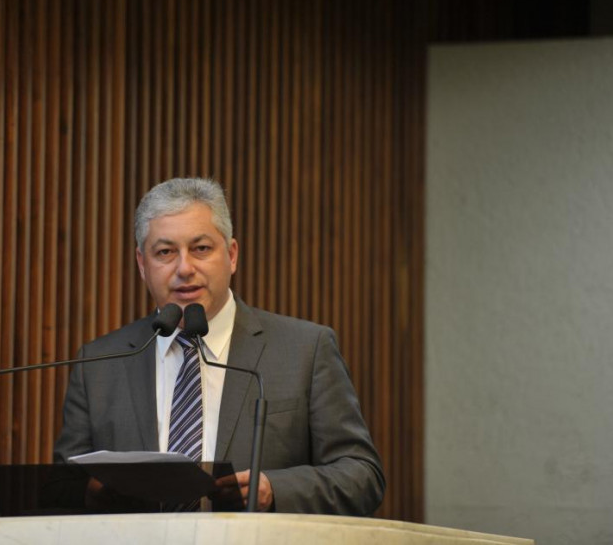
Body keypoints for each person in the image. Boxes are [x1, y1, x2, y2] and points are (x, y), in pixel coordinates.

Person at [54, 177, 385, 515]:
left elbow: (362, 475)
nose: (184, 269)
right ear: (142, 264)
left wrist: (275, 490)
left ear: (231, 255)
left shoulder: (305, 350)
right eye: (165, 252)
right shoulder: (99, 363)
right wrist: (89, 493)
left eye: (201, 248)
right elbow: (63, 488)